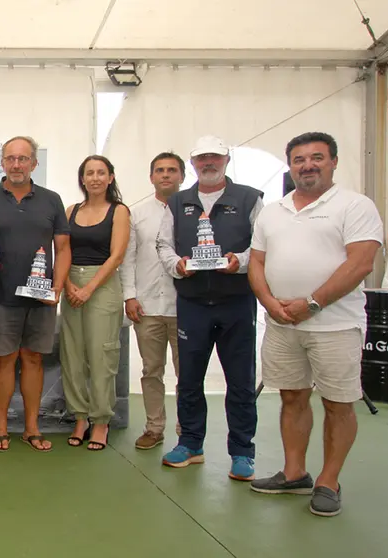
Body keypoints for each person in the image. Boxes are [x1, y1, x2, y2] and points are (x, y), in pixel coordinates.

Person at [248, 132, 383, 517]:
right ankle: (294, 473)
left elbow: (360, 263)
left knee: (338, 403)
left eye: (317, 158)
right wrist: (270, 302)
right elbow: (257, 262)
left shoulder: (355, 206)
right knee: (291, 396)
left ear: (334, 161)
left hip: (335, 325)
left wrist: (312, 303)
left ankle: (328, 480)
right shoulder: (273, 210)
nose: (307, 165)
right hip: (282, 323)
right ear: (289, 166)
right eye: (299, 160)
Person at [156, 135, 263, 481]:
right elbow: (164, 245)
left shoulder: (250, 198)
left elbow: (263, 245)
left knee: (241, 382)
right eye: (201, 158)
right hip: (193, 303)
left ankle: (243, 451)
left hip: (236, 303)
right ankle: (190, 444)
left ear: (226, 159)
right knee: (188, 379)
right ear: (193, 163)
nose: (208, 163)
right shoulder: (177, 202)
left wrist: (240, 261)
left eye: (214, 157)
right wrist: (179, 266)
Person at [0, 136, 71, 453]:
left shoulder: (52, 200)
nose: (16, 164)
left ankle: (31, 427)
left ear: (34, 163)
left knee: (33, 360)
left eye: (23, 159)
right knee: (3, 362)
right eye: (10, 158)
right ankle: (0, 428)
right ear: (2, 162)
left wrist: (56, 287)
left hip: (40, 299)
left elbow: (64, 248)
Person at [61, 156, 129, 451]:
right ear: (82, 179)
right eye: (90, 173)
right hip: (70, 283)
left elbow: (116, 256)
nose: (96, 178)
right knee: (72, 355)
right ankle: (80, 417)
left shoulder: (119, 211)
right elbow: (61, 251)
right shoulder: (71, 210)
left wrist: (88, 288)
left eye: (102, 173)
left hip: (102, 285)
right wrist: (66, 284)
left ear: (111, 178)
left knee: (103, 356)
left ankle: (100, 420)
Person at [122, 152, 185, 450]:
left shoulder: (193, 211)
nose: (165, 175)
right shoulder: (137, 214)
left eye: (172, 170)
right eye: (160, 170)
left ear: (182, 176)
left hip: (185, 306)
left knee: (188, 372)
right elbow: (128, 258)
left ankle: (188, 430)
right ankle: (154, 427)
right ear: (151, 177)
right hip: (146, 307)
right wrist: (130, 296)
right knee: (151, 371)